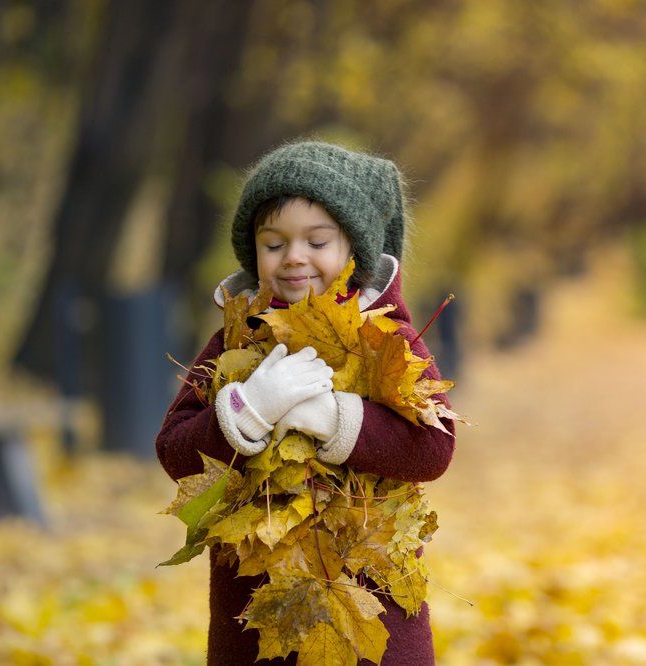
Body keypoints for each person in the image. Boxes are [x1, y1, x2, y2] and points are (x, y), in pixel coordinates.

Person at [154, 140, 456, 665]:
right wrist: (249, 408)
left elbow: (433, 448)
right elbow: (175, 450)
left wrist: (335, 419)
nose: (294, 257)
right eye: (274, 244)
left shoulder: (387, 337)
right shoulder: (238, 340)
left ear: (353, 250)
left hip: (371, 614)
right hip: (254, 613)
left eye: (317, 241)